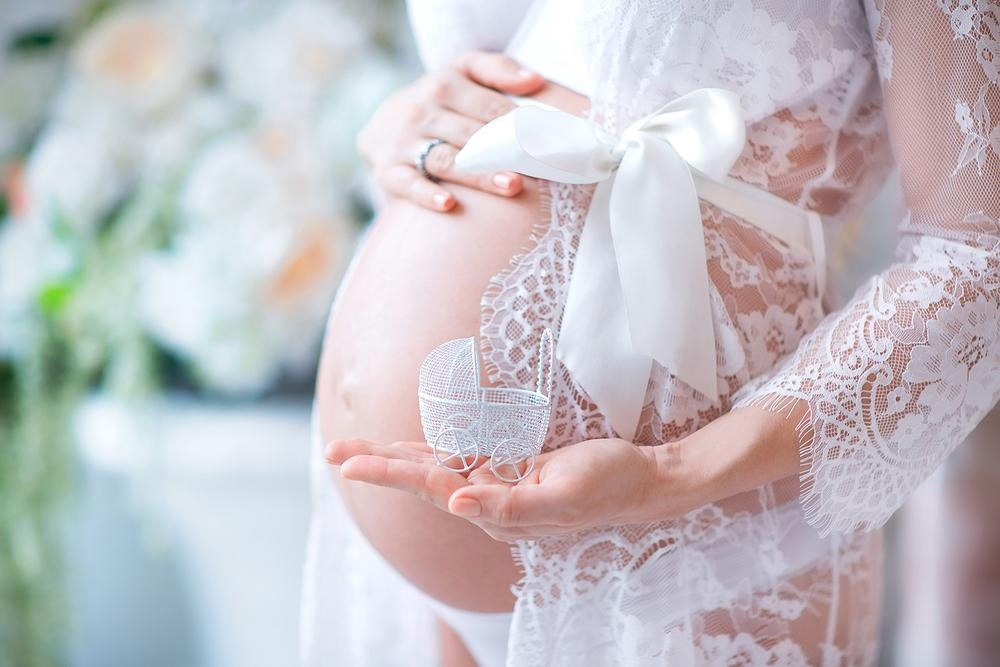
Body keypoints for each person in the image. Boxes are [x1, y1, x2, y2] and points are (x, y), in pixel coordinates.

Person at [302, 1, 1000, 665]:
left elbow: (977, 256)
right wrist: (402, 119)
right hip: (401, 556)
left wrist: (672, 474)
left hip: (688, 555)